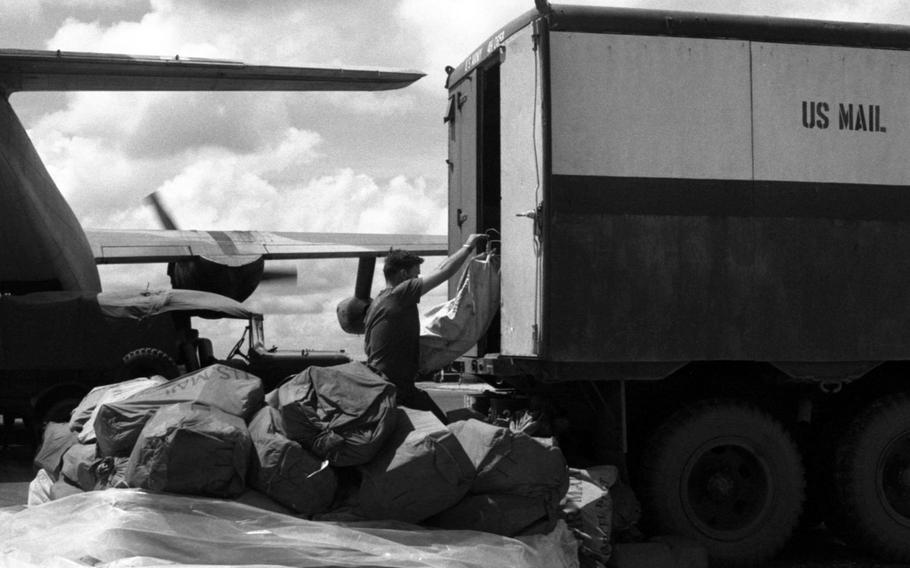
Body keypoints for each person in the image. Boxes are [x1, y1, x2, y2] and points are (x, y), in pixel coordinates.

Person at [364, 233, 488, 423]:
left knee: (436, 425)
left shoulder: (377, 303)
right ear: (404, 275)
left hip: (382, 385)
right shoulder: (401, 293)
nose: (418, 278)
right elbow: (443, 270)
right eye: (416, 274)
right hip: (396, 388)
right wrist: (468, 246)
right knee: (442, 427)